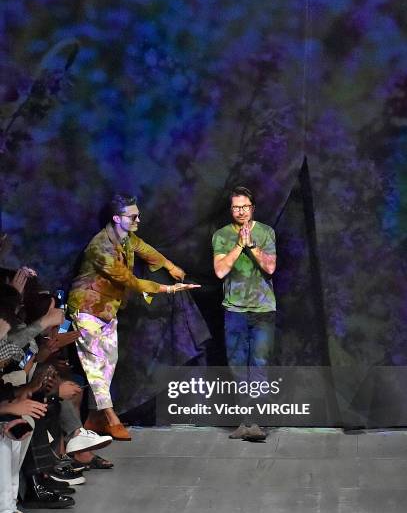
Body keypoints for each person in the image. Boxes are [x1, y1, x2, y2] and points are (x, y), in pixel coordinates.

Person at [67, 193, 199, 440]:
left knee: (108, 364)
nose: (139, 219)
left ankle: (95, 418)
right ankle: (110, 417)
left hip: (108, 309)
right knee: (95, 366)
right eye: (133, 216)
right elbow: (129, 280)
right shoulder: (101, 246)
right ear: (117, 218)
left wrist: (169, 266)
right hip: (87, 308)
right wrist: (167, 289)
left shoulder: (125, 237)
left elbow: (143, 248)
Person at [212, 186, 277, 440]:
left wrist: (252, 245)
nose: (241, 211)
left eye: (245, 207)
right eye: (236, 207)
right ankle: (244, 422)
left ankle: (257, 423)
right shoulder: (221, 235)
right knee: (238, 368)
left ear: (252, 208)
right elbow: (220, 271)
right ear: (231, 209)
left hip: (263, 311)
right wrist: (240, 245)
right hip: (234, 311)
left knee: (259, 366)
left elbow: (270, 268)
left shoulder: (266, 232)